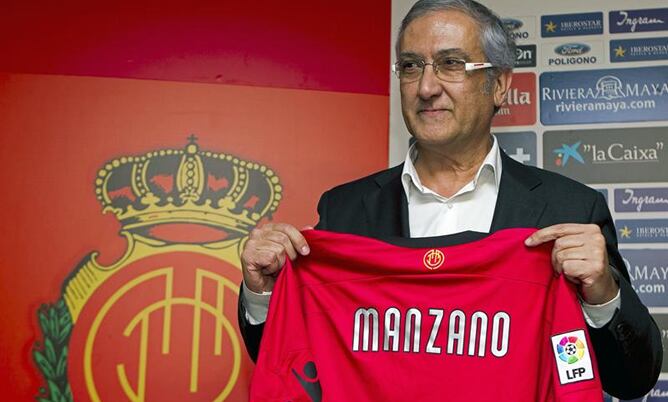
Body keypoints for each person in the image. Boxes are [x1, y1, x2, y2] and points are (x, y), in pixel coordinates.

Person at [237, 0, 662, 399]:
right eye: (410, 66)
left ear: (498, 86)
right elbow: (295, 363)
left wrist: (603, 296)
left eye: (451, 64)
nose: (426, 86)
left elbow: (632, 379)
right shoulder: (344, 210)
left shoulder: (568, 209)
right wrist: (263, 296)